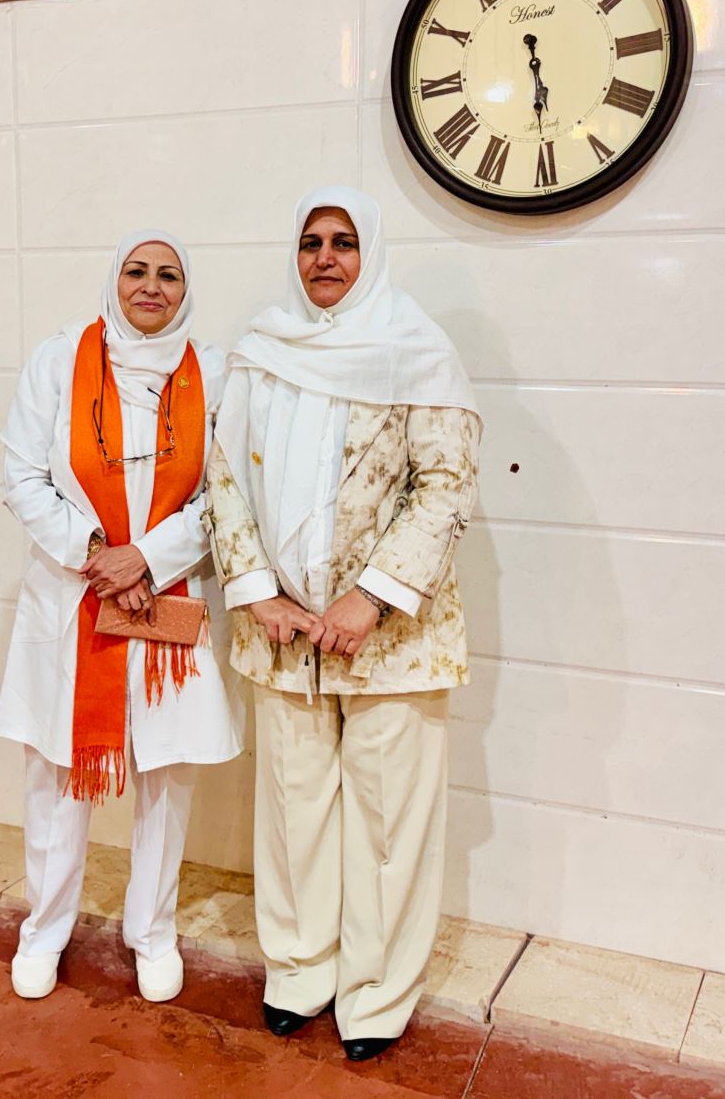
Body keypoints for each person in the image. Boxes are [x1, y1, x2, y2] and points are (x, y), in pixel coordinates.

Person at [205, 186, 481, 1061]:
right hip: (283, 633)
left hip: (393, 640)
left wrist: (371, 599)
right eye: (312, 242)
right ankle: (298, 970)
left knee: (389, 820)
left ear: (373, 255)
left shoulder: (417, 352)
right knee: (293, 812)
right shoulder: (262, 352)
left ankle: (376, 993)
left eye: (345, 242)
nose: (325, 257)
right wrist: (256, 590)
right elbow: (222, 478)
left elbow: (446, 487)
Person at [0, 230, 240, 1005]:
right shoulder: (58, 360)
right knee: (58, 771)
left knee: (165, 773)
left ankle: (152, 931)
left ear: (186, 291)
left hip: (166, 598)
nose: (151, 286)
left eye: (169, 275)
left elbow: (226, 492)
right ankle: (45, 928)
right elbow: (22, 476)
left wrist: (148, 560)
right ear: (114, 279)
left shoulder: (214, 372)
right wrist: (99, 554)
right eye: (137, 271)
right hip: (74, 595)